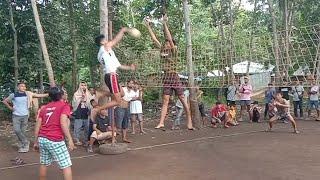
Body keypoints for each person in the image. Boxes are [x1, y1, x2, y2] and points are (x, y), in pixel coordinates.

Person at [145, 14, 194, 130]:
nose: (166, 44)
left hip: (174, 76)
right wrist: (148, 26)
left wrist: (165, 23)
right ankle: (161, 122)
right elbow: (154, 39)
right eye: (166, 43)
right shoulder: (162, 50)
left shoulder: (174, 51)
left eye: (168, 43)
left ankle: (189, 120)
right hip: (166, 77)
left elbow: (170, 39)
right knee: (165, 100)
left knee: (182, 99)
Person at [33, 86, 74, 180]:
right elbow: (63, 122)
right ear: (61, 95)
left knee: (44, 163)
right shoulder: (64, 106)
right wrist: (70, 139)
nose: (66, 94)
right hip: (55, 139)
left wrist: (36, 142)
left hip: (42, 138)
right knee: (66, 165)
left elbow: (37, 125)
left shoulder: (44, 108)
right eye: (65, 93)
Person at [95, 28, 136, 113]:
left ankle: (101, 94)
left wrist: (130, 67)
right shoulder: (104, 47)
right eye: (105, 40)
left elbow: (119, 65)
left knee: (122, 94)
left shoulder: (107, 54)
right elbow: (116, 39)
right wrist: (123, 30)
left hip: (110, 76)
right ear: (102, 42)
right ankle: (98, 109)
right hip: (111, 76)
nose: (107, 41)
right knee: (117, 101)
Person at [2, 82, 48, 153]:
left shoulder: (28, 94)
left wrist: (48, 94)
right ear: (18, 88)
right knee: (17, 130)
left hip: (25, 115)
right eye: (22, 86)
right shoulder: (14, 95)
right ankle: (26, 142)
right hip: (16, 115)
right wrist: (10, 107)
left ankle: (23, 145)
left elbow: (39, 95)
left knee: (22, 132)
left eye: (24, 86)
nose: (24, 87)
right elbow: (5, 101)